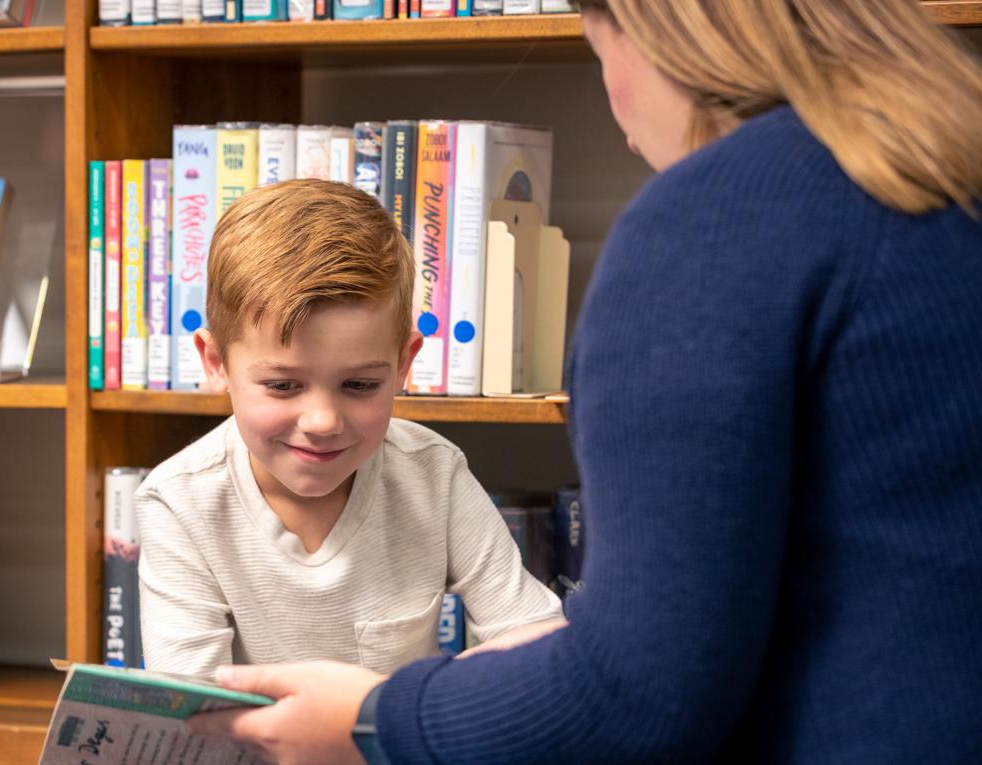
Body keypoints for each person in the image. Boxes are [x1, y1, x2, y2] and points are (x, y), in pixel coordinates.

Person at [190, 1, 982, 762]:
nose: (622, 124)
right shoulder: (948, 166)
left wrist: (375, 721)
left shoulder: (710, 228)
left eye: (601, 50)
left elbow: (635, 696)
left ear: (650, 27)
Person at [135, 179, 563, 681]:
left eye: (359, 384)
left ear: (404, 363)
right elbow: (188, 713)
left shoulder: (435, 474)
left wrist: (432, 704)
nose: (322, 423)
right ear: (215, 362)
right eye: (282, 385)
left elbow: (537, 634)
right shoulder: (177, 502)